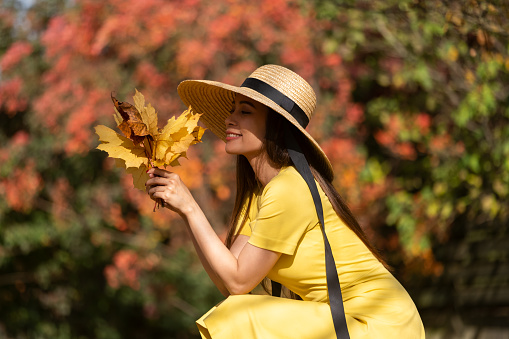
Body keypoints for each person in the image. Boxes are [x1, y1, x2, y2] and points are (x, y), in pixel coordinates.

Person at [145, 65, 425, 338]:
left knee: (240, 316)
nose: (230, 119)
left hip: (380, 323)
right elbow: (231, 278)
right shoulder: (260, 194)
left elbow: (238, 282)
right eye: (232, 110)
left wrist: (191, 208)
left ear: (276, 126)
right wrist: (184, 212)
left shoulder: (290, 188)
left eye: (245, 111)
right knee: (236, 310)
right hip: (342, 321)